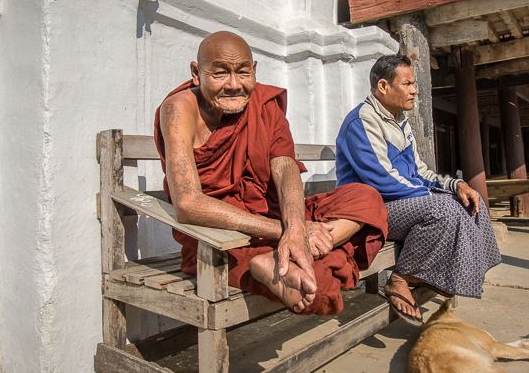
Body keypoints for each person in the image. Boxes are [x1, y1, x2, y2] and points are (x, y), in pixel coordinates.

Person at [155, 31, 387, 315]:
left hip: (277, 217)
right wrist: (289, 231)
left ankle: (285, 257)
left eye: (242, 72)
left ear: (253, 70)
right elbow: (188, 204)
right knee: (319, 289)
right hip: (224, 237)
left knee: (366, 196)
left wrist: (296, 227)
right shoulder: (178, 110)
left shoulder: (263, 102)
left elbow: (285, 166)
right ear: (195, 73)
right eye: (219, 74)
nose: (233, 84)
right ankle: (293, 255)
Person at [335, 54, 502, 324]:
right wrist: (433, 196)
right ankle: (401, 279)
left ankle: (452, 275)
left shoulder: (400, 120)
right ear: (383, 86)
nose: (414, 90)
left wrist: (454, 184)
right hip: (369, 208)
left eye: (414, 84)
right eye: (407, 84)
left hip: (399, 202)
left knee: (471, 200)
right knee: (443, 208)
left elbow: (419, 170)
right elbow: (381, 179)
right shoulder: (361, 121)